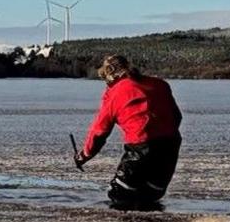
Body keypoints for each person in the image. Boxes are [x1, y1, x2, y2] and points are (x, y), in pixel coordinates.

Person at [75, 55, 183, 207]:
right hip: (170, 146)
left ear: (109, 74)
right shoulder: (160, 84)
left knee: (121, 195)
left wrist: (83, 155)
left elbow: (99, 131)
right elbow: (177, 117)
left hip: (141, 147)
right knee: (151, 195)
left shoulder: (115, 93)